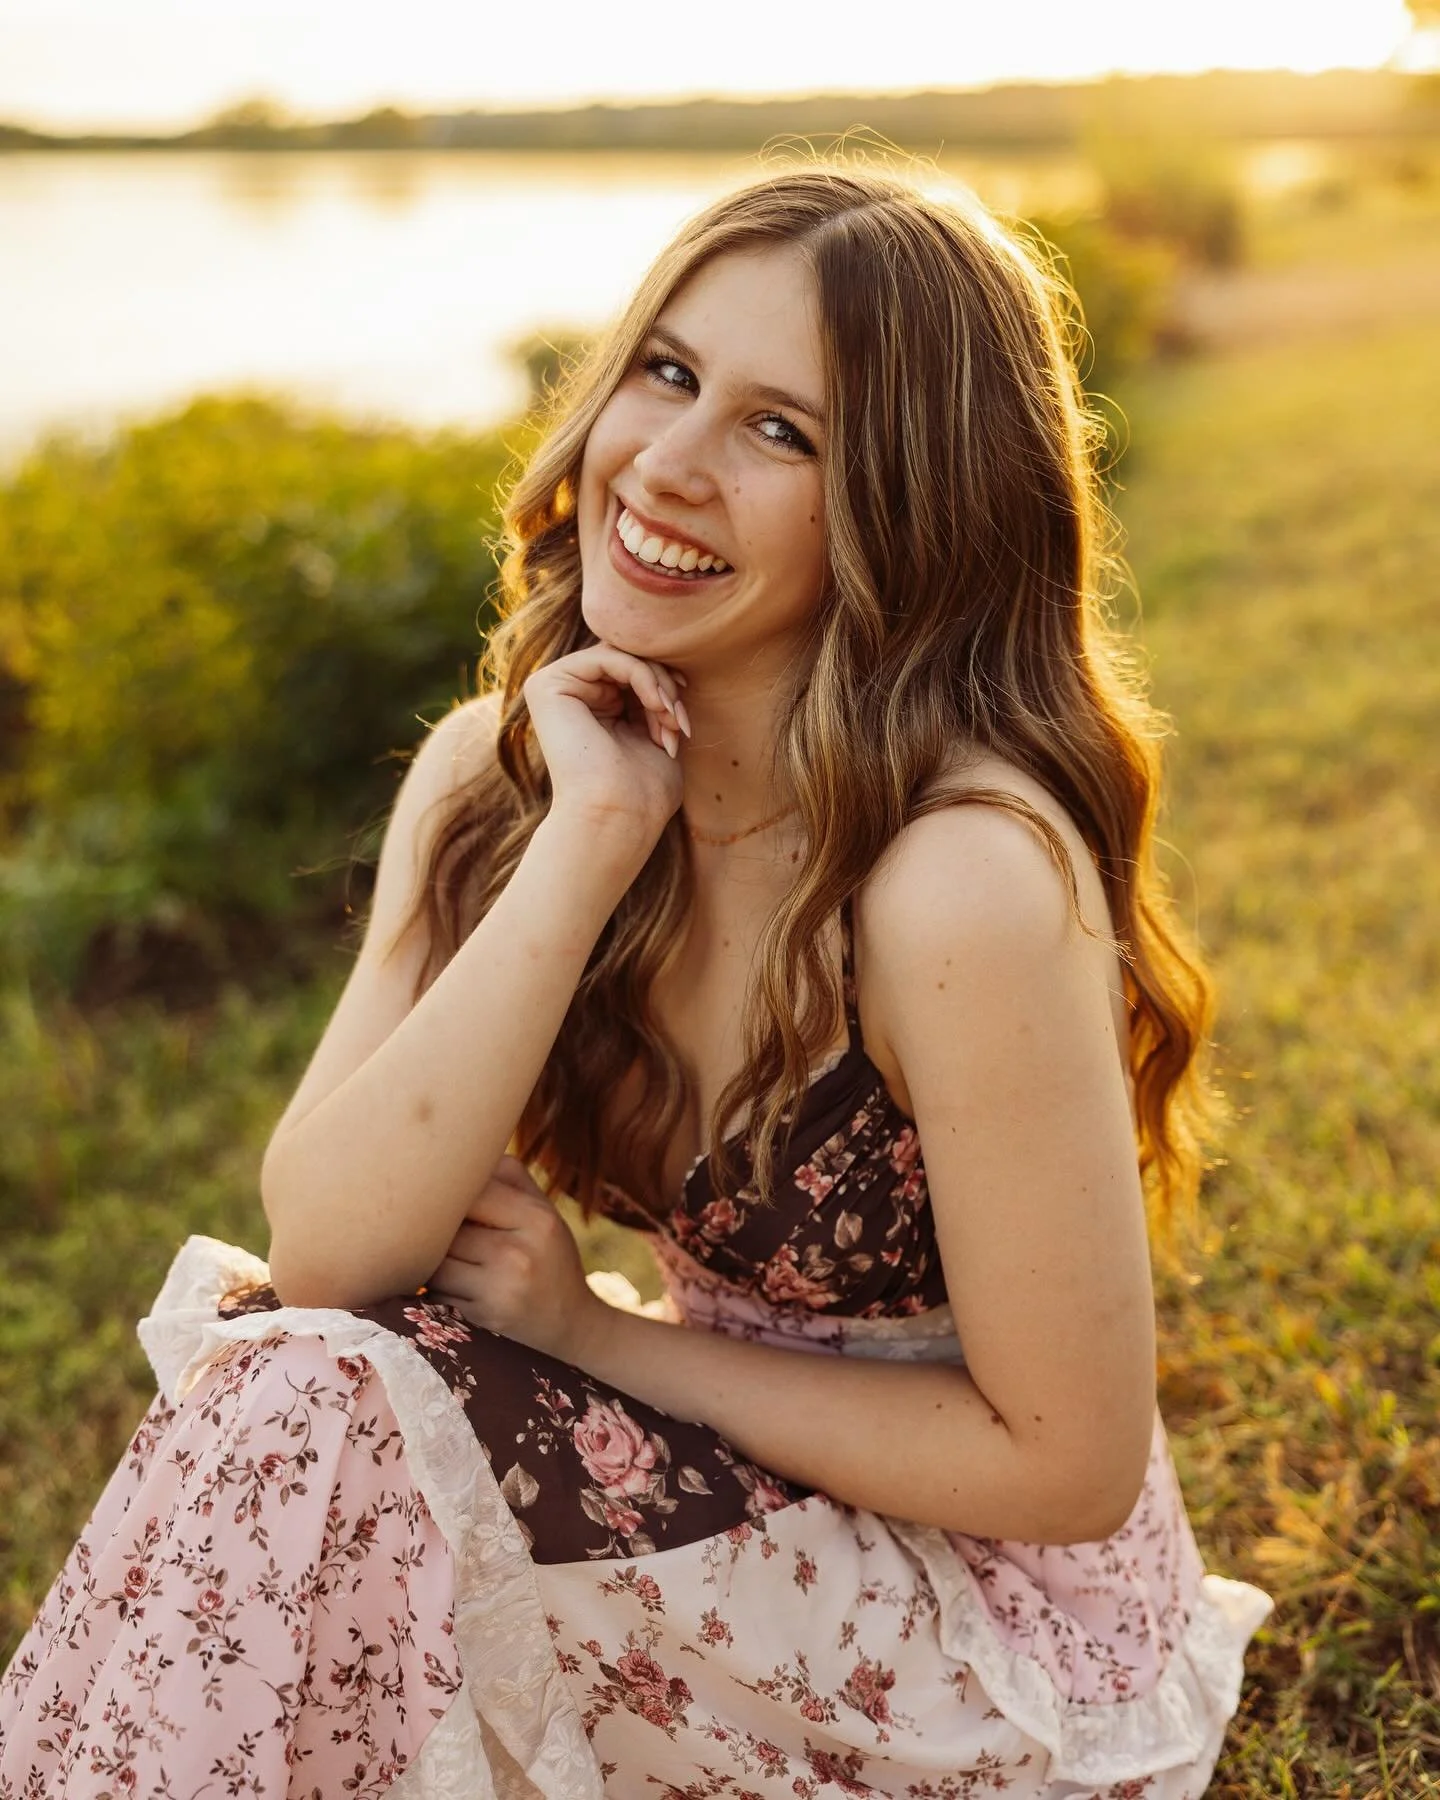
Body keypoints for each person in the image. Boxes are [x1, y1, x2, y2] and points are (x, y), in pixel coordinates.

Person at [0, 160, 1273, 1798]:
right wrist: (591, 837)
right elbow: (323, 1252)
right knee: (302, 1379)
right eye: (667, 373)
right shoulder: (498, 781)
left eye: (780, 430)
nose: (667, 464)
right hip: (733, 1509)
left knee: (319, 1405)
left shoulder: (954, 878)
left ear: (910, 506)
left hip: (993, 1631)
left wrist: (596, 1335)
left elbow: (1065, 1467)